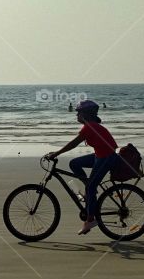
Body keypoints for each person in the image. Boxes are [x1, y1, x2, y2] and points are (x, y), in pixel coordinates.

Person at [45, 99, 117, 235]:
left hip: (107, 157)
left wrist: (56, 153)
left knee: (90, 187)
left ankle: (90, 220)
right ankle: (90, 189)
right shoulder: (91, 126)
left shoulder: (89, 127)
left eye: (78, 113)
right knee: (74, 163)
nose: (76, 115)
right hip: (100, 156)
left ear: (85, 114)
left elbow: (73, 144)